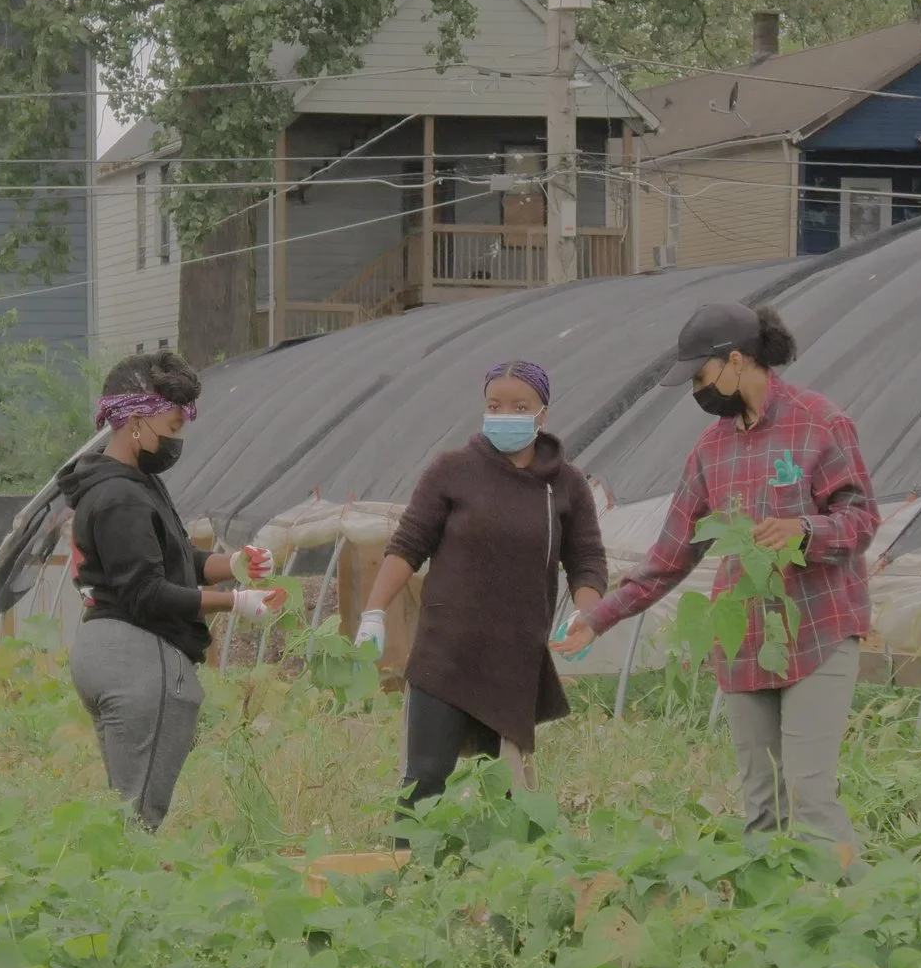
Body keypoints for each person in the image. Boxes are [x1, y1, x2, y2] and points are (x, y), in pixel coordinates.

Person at [552, 302, 878, 862]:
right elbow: (670, 556)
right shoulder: (711, 450)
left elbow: (862, 519)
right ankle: (769, 928)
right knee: (761, 802)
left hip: (817, 629)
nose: (698, 392)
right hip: (744, 640)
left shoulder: (819, 423)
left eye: (701, 378)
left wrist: (804, 530)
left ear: (735, 361)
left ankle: (836, 927)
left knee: (809, 795)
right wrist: (600, 616)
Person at [355, 359, 608, 816]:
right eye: (495, 405)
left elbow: (587, 561)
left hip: (513, 659)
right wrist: (373, 611)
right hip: (445, 653)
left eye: (519, 406)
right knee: (425, 779)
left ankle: (492, 885)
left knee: (505, 795)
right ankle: (412, 879)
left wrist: (586, 613)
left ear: (542, 413)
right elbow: (408, 545)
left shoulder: (565, 485)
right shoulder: (452, 471)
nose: (505, 414)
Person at [57, 352, 281, 829]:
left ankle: (112, 891)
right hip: (137, 658)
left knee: (125, 806)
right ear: (136, 423)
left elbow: (173, 560)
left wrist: (234, 565)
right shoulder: (121, 497)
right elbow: (146, 593)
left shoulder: (129, 485)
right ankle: (128, 897)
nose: (177, 442)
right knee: (140, 817)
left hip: (107, 652)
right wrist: (235, 603)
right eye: (172, 428)